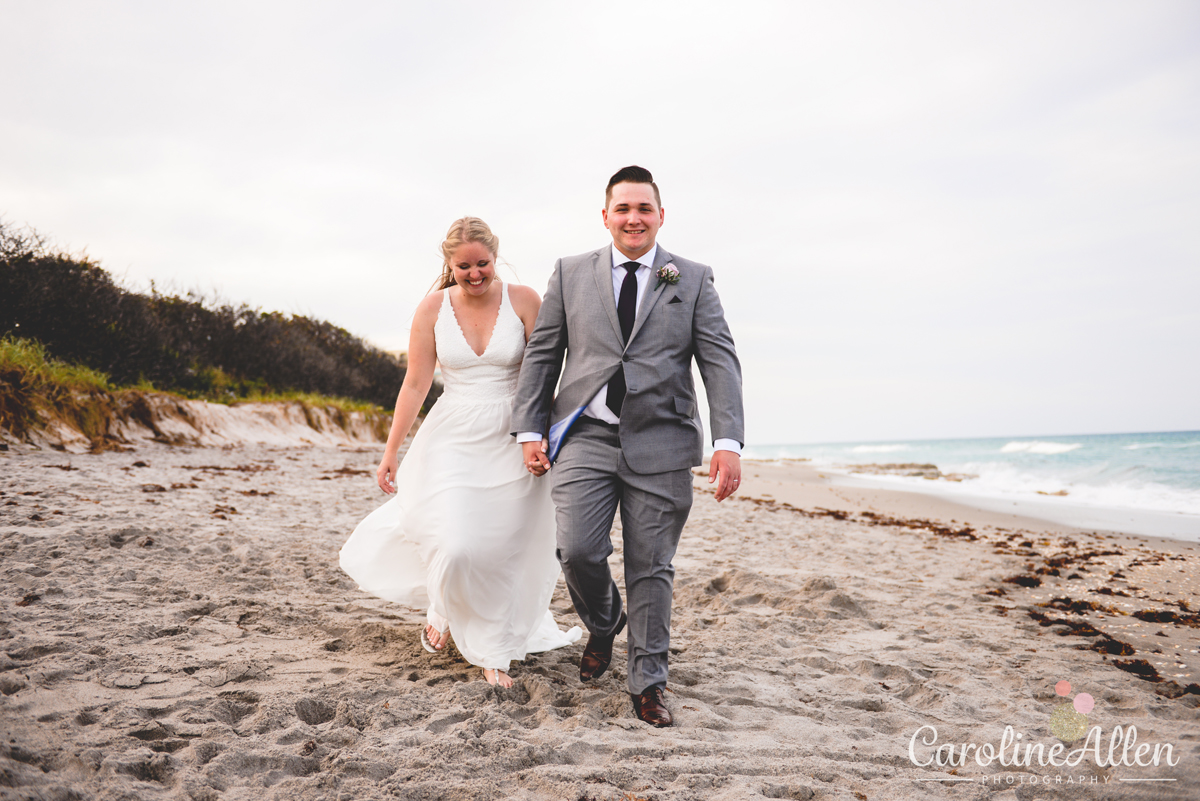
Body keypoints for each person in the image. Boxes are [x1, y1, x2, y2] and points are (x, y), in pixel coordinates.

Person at [512, 166, 744, 727]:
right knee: (578, 550)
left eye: (644, 209)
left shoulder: (691, 277)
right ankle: (604, 620)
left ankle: (648, 684)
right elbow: (544, 353)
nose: (634, 218)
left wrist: (728, 440)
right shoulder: (570, 273)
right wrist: (529, 428)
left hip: (663, 442)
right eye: (623, 209)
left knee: (651, 567)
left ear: (660, 216)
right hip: (585, 436)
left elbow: (718, 359)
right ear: (606, 215)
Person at [340, 217, 580, 688]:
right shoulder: (432, 308)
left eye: (483, 264)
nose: (475, 275)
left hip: (514, 436)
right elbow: (415, 382)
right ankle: (442, 604)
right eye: (464, 266)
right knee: (454, 542)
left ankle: (492, 650)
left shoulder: (526, 300)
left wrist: (548, 436)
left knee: (502, 548)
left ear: (496, 256)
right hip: (452, 436)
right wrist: (391, 450)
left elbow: (546, 372)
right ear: (449, 264)